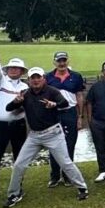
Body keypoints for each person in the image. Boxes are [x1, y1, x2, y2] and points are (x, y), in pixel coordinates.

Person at [3, 67, 88, 208]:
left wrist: (54, 104)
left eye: (38, 77)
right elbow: (8, 108)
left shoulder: (52, 91)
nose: (36, 80)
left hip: (53, 133)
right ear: (29, 80)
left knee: (65, 163)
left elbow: (65, 103)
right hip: (34, 136)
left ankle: (82, 188)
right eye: (33, 78)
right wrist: (16, 102)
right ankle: (14, 194)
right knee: (19, 164)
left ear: (43, 79)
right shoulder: (25, 94)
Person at [0, 54, 28, 202]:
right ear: (7, 70)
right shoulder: (1, 81)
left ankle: (17, 187)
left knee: (19, 158)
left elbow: (27, 105)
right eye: (11, 68)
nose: (13, 70)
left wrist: (21, 108)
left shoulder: (25, 87)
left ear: (21, 71)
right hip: (0, 126)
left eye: (17, 68)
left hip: (18, 125)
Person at [44, 51, 85, 188]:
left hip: (70, 112)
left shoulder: (76, 76)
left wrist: (80, 116)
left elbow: (79, 96)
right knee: (53, 144)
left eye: (64, 60)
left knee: (70, 144)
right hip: (53, 113)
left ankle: (68, 176)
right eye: (59, 61)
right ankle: (55, 176)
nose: (62, 63)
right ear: (54, 62)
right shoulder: (48, 77)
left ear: (67, 61)